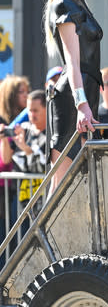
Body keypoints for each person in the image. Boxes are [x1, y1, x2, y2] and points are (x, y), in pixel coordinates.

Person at [44, 0, 106, 191]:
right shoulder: (65, 2)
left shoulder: (78, 1)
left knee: (77, 190)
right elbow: (72, 62)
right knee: (62, 191)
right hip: (72, 99)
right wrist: (82, 105)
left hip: (84, 96)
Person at [12, 90, 47, 218]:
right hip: (24, 203)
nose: (31, 114)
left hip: (45, 202)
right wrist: (5, 139)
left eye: (35, 110)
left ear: (46, 109)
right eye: (29, 110)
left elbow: (45, 167)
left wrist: (27, 150)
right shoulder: (25, 130)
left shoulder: (53, 134)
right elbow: (13, 163)